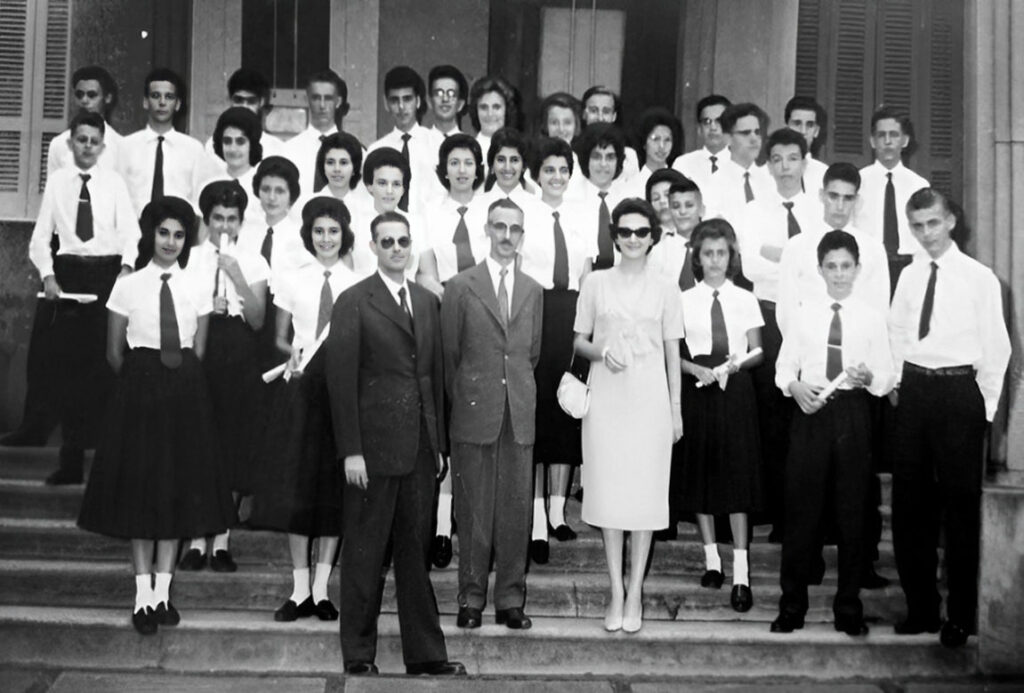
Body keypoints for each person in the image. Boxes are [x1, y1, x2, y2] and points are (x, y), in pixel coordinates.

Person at [77, 196, 235, 635]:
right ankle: (141, 595)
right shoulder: (128, 285)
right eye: (163, 233)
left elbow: (199, 348)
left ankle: (163, 593)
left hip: (185, 392)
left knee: (174, 492)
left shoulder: (197, 285)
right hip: (139, 392)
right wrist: (140, 385)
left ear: (187, 240)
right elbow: (113, 352)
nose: (170, 242)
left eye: (179, 235)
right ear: (151, 235)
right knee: (141, 494)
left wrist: (178, 382)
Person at [326, 211, 465, 677]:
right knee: (364, 554)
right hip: (372, 451)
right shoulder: (353, 301)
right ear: (373, 246)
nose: (396, 249)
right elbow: (340, 381)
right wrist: (351, 450)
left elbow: (434, 375)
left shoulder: (426, 301)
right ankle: (358, 655)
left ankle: (425, 654)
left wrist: (439, 442)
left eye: (403, 241)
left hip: (420, 448)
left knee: (415, 556)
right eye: (387, 242)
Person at [889, 188, 1010, 649]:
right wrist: (900, 383)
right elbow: (896, 330)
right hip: (916, 391)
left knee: (961, 510)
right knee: (909, 508)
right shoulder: (909, 277)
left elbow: (997, 351)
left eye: (933, 224)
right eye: (917, 226)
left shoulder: (981, 279)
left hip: (961, 394)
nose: (926, 234)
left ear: (951, 220)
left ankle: (960, 615)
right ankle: (920, 609)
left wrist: (985, 412)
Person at [772, 229, 895, 637]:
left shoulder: (871, 317)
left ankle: (848, 606)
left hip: (853, 413)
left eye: (846, 266)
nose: (839, 274)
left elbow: (886, 378)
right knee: (802, 510)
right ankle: (792, 605)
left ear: (857, 269)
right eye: (831, 266)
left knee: (852, 512)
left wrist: (868, 376)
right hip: (811, 412)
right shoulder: (804, 313)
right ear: (820, 269)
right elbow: (784, 369)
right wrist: (794, 387)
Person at [572, 198, 684, 633]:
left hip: (650, 401)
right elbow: (579, 342)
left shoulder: (666, 287)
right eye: (625, 232)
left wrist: (676, 411)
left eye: (642, 232)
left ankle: (635, 589)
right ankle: (615, 589)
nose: (633, 239)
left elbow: (673, 351)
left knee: (644, 497)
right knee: (611, 495)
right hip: (606, 402)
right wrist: (602, 351)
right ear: (615, 236)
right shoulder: (596, 283)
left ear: (652, 236)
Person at [250, 196, 359, 622]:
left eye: (333, 231)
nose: (326, 239)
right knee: (298, 490)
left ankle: (321, 589)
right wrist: (291, 355)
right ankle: (298, 590)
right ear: (309, 235)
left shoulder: (358, 282)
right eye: (319, 231)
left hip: (340, 395)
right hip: (300, 390)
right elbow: (278, 336)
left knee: (332, 492)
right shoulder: (293, 278)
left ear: (344, 235)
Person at [442, 198, 543, 631]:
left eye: (515, 229)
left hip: (517, 412)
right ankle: (470, 599)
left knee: (516, 511)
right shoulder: (461, 285)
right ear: (487, 229)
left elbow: (531, 354)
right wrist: (469, 397)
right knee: (474, 510)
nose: (507, 236)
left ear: (523, 235)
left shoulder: (534, 290)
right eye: (499, 227)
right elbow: (450, 355)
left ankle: (510, 600)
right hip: (474, 409)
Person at [23, 111, 139, 484]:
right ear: (70, 142)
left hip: (107, 275)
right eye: (81, 139)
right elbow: (41, 238)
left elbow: (132, 235)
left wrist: (125, 270)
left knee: (105, 364)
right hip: (69, 274)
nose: (87, 147)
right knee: (69, 368)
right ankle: (70, 461)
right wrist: (49, 275)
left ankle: (107, 464)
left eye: (94, 141)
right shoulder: (58, 182)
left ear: (103, 146)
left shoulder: (115, 184)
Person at [178, 180, 269, 573]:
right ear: (207, 219)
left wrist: (236, 276)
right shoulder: (191, 257)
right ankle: (198, 537)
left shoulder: (253, 260)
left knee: (232, 441)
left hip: (238, 347)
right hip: (201, 345)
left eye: (232, 219)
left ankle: (223, 540)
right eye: (218, 218)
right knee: (200, 440)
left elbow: (259, 318)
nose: (225, 227)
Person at [677, 219, 764, 612]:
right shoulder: (683, 300)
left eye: (721, 253)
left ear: (731, 257)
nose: (714, 260)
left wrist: (733, 367)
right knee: (702, 472)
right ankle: (712, 559)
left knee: (736, 476)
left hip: (735, 388)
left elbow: (758, 351)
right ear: (698, 257)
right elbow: (672, 352)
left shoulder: (745, 297)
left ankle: (741, 573)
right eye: (707, 253)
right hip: (699, 388)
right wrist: (695, 370)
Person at [737, 128, 819, 541]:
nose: (785, 167)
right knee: (768, 413)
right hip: (767, 318)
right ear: (767, 165)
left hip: (809, 321)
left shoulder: (819, 211)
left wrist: (778, 253)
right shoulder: (754, 212)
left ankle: (797, 515)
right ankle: (767, 508)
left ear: (806, 161)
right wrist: (797, 257)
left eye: (793, 158)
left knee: (800, 419)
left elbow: (821, 266)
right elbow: (751, 266)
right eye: (778, 159)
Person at [520, 137, 594, 563]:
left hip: (571, 311)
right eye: (548, 170)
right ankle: (533, 521)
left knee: (566, 411)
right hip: (537, 309)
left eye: (563, 170)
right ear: (537, 174)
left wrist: (585, 325)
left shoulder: (582, 214)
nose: (556, 177)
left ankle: (557, 512)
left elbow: (586, 274)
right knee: (537, 412)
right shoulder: (526, 214)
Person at [853, 107, 929, 291]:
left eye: (894, 135)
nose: (887, 141)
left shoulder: (919, 185)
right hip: (869, 268)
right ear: (872, 141)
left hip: (909, 268)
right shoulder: (858, 182)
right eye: (881, 135)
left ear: (905, 141)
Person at [117, 68, 205, 217]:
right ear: (145, 102)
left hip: (179, 232)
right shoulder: (126, 146)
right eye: (155, 96)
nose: (162, 102)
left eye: (169, 97)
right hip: (135, 233)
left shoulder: (194, 149)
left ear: (177, 104)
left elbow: (199, 200)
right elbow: (117, 198)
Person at [416, 133, 489, 298]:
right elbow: (427, 272)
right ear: (445, 170)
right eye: (454, 163)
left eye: (469, 163)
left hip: (487, 297)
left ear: (478, 170)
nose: (462, 170)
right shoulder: (429, 212)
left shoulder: (490, 210)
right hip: (445, 296)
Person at [571, 123, 643, 271]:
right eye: (597, 157)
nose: (603, 164)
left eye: (610, 157)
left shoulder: (630, 200)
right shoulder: (571, 198)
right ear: (586, 159)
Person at [368, 66, 438, 212]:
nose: (401, 107)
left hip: (427, 227)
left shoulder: (436, 144)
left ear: (418, 101)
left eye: (407, 99)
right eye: (394, 100)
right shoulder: (376, 149)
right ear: (386, 103)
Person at [351, 147, 421, 279]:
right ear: (369, 185)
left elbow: (425, 274)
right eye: (382, 183)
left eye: (396, 184)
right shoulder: (355, 222)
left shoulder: (417, 223)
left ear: (403, 188)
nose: (389, 191)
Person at [281, 70, 350, 196]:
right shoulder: (288, 151)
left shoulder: (353, 150)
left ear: (338, 102)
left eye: (328, 98)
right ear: (307, 100)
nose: (322, 105)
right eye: (316, 98)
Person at [703, 102, 773, 224]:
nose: (754, 138)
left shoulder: (771, 179)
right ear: (728, 139)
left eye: (757, 132)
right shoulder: (714, 184)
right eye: (746, 133)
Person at [46, 65, 122, 175]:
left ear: (108, 98)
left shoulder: (119, 146)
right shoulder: (59, 144)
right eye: (79, 95)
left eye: (92, 95)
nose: (84, 100)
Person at [203, 68, 284, 159]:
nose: (244, 107)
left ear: (262, 102)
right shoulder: (213, 145)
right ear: (230, 100)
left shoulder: (276, 148)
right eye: (238, 100)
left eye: (251, 101)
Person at [195, 107, 264, 204]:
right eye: (227, 141)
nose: (233, 149)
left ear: (252, 145)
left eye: (240, 142)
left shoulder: (263, 187)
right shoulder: (208, 185)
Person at [672, 94, 732, 195]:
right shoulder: (682, 165)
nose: (713, 127)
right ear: (699, 129)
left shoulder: (743, 165)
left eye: (719, 121)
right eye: (707, 122)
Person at [580, 85, 640, 180]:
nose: (600, 118)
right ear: (583, 114)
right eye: (593, 111)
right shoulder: (571, 154)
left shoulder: (629, 157)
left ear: (614, 116)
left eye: (606, 111)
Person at [467, 75, 520, 168]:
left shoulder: (519, 151)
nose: (490, 114)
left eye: (496, 107)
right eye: (484, 107)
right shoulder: (467, 151)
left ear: (507, 110)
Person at [784, 96, 829, 193]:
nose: (803, 131)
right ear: (787, 128)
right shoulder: (768, 171)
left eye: (809, 125)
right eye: (797, 123)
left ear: (816, 131)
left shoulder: (825, 175)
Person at [634, 107, 683, 190]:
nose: (662, 146)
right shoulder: (632, 186)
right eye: (656, 139)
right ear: (644, 142)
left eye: (667, 140)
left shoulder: (680, 183)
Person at [426, 64, 469, 142]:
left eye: (451, 93)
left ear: (460, 104)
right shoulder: (417, 144)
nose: (445, 99)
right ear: (429, 101)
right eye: (439, 93)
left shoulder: (469, 145)